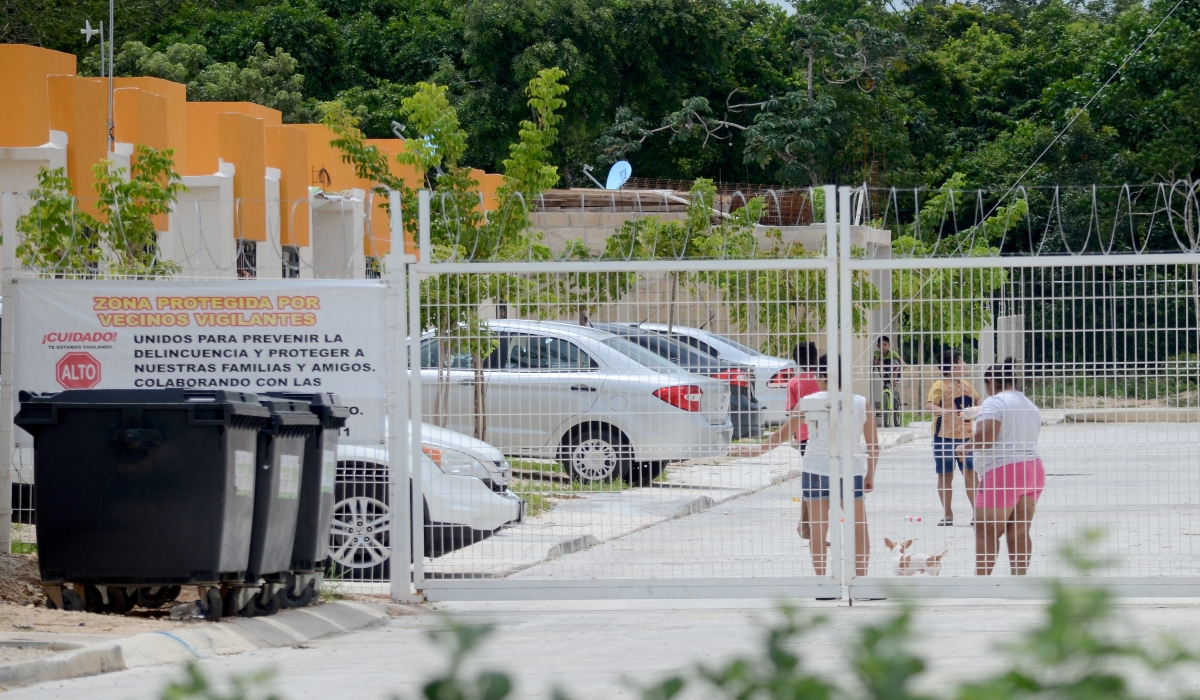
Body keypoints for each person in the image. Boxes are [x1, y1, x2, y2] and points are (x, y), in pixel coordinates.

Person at [734, 356, 880, 576]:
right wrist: (870, 474)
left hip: (815, 468)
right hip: (850, 471)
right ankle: (860, 580)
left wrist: (756, 451)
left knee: (818, 529)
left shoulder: (809, 402)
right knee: (858, 526)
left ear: (821, 376)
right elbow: (873, 445)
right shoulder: (861, 403)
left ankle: (822, 581)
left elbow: (782, 434)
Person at [956, 358, 1043, 575]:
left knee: (986, 532)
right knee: (1020, 532)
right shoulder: (1029, 405)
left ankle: (983, 584)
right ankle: (1019, 580)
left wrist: (964, 447)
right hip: (1032, 470)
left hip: (1002, 472)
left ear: (992, 381)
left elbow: (986, 438)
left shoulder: (993, 403)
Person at [925, 349, 980, 526]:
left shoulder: (966, 385)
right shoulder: (939, 385)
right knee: (945, 475)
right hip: (944, 437)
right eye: (961, 362)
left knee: (971, 473)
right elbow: (929, 406)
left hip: (966, 436)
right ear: (952, 366)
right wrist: (945, 412)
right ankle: (947, 513)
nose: (964, 365)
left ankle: (977, 512)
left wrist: (979, 407)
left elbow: (978, 400)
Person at [786, 342, 821, 539]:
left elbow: (792, 413)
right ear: (816, 359)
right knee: (821, 483)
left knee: (811, 481)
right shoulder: (823, 379)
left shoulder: (794, 383)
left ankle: (805, 524)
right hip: (822, 435)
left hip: (804, 437)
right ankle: (807, 525)